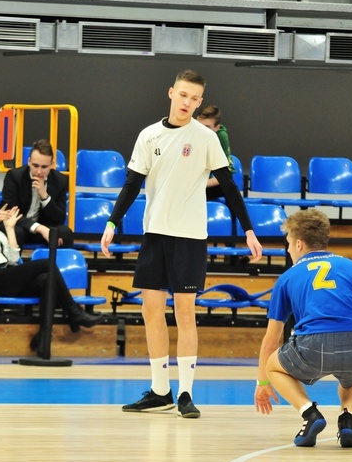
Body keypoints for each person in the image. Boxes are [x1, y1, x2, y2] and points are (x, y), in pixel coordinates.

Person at [100, 69, 263, 418]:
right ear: (171, 93)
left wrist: (248, 229)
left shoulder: (206, 138)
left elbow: (229, 187)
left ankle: (186, 393)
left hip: (189, 237)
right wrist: (113, 221)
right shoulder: (148, 135)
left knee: (184, 312)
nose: (187, 102)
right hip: (154, 233)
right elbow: (131, 184)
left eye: (194, 98)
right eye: (183, 95)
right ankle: (161, 390)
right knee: (150, 310)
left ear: (200, 102)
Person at [254, 209, 352, 447]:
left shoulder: (287, 277)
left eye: (288, 243)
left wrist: (263, 384)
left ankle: (309, 413)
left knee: (272, 366)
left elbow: (270, 341)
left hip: (312, 345)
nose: (288, 249)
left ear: (299, 244)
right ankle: (347, 420)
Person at [0, 192, 101, 352]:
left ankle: (44, 336)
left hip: (7, 276)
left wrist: (10, 228)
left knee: (46, 279)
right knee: (46, 264)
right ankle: (73, 311)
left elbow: (13, 259)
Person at [0, 139, 74, 248]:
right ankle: (14, 264)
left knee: (65, 233)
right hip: (18, 224)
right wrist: (40, 228)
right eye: (35, 165)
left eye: (44, 167)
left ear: (52, 165)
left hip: (44, 227)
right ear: (29, 162)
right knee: (16, 232)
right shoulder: (14, 176)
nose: (39, 172)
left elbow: (60, 219)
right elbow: (11, 212)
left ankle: (56, 265)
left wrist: (44, 196)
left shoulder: (60, 181)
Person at [197, 104, 234, 201]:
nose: (202, 130)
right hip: (185, 185)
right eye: (199, 125)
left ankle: (237, 216)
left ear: (216, 128)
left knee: (229, 187)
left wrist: (200, 185)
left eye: (207, 127)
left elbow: (226, 176)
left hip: (202, 185)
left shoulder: (221, 136)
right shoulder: (187, 133)